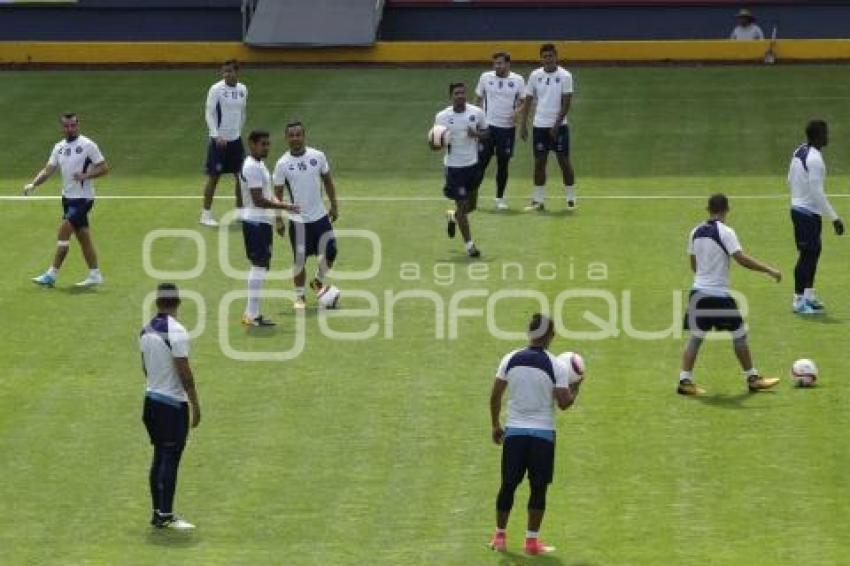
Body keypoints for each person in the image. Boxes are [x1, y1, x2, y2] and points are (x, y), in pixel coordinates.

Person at [488, 313, 582, 556]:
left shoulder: (510, 359)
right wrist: (576, 387)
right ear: (550, 335)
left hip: (515, 434)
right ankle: (531, 542)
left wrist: (496, 425)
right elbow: (563, 403)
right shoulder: (557, 365)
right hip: (542, 436)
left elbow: (495, 396)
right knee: (538, 488)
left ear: (530, 333)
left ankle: (499, 536)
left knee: (508, 484)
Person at [678, 194, 782, 396]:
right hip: (718, 295)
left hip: (697, 292)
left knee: (696, 337)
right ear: (727, 209)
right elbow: (741, 259)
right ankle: (753, 379)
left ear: (707, 209)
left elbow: (693, 265)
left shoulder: (694, 232)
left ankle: (684, 381)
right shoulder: (726, 232)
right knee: (739, 334)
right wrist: (769, 270)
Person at [140, 283, 201, 530]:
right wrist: (195, 404)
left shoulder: (145, 331)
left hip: (151, 399)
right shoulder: (176, 331)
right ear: (178, 302)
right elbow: (184, 372)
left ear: (157, 302)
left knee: (159, 456)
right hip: (172, 404)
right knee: (170, 458)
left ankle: (158, 511)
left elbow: (144, 366)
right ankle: (165, 513)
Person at [24, 112, 108, 288]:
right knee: (83, 236)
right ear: (62, 127)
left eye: (73, 125)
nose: (70, 129)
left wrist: (86, 174)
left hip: (83, 199)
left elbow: (103, 167)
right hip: (68, 199)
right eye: (66, 126)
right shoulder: (59, 147)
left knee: (63, 231)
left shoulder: (88, 145)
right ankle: (95, 274)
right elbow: (48, 170)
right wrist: (33, 185)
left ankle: (51, 274)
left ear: (78, 125)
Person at [273, 121, 340, 309]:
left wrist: (334, 205)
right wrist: (278, 219)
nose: (295, 138)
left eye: (298, 134)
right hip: (298, 220)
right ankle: (300, 296)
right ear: (286, 138)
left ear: (304, 136)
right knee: (300, 260)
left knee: (332, 251)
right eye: (291, 135)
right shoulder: (282, 164)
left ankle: (317, 281)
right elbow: (277, 193)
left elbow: (328, 181)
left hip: (320, 217)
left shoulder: (318, 156)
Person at [240, 130, 300, 326]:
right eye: (263, 144)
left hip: (260, 223)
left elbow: (268, 194)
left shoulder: (259, 165)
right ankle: (251, 315)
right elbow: (258, 200)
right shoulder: (251, 167)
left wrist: (283, 207)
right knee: (259, 266)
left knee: (261, 266)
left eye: (268, 144)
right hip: (256, 222)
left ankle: (252, 313)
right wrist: (284, 207)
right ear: (252, 144)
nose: (267, 147)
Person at [787, 120, 844, 315]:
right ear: (818, 136)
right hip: (806, 213)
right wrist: (835, 218)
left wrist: (797, 195)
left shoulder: (800, 150)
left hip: (803, 209)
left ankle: (809, 295)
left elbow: (789, 177)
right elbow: (817, 193)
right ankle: (798, 300)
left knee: (814, 252)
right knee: (806, 256)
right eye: (825, 133)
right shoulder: (815, 160)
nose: (828, 137)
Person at [431, 82, 488, 257]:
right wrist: (436, 144)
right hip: (454, 169)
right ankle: (470, 246)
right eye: (457, 93)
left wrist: (476, 135)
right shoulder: (442, 117)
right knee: (463, 205)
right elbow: (434, 142)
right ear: (451, 96)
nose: (461, 96)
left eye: (463, 93)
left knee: (471, 206)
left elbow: (487, 133)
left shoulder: (476, 113)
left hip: (473, 166)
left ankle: (452, 216)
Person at [519, 44, 576, 211]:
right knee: (539, 163)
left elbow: (566, 103)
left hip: (559, 127)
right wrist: (523, 125)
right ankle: (538, 201)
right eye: (545, 56)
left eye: (551, 56)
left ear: (556, 56)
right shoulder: (535, 75)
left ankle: (571, 199)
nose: (548, 59)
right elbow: (528, 101)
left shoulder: (565, 76)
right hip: (540, 126)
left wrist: (557, 125)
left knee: (564, 162)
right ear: (541, 58)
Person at [474, 51, 525, 210]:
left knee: (503, 165)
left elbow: (524, 101)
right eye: (495, 63)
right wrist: (476, 120)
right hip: (487, 128)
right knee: (481, 163)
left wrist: (518, 111)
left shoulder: (518, 80)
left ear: (508, 64)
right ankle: (471, 196)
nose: (497, 66)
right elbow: (478, 99)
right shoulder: (485, 77)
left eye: (500, 63)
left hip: (507, 130)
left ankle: (500, 199)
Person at [201, 59, 248, 227]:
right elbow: (209, 113)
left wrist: (238, 133)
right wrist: (216, 135)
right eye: (224, 72)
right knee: (214, 177)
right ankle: (206, 215)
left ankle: (241, 212)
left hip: (236, 141)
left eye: (230, 71)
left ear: (237, 71)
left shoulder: (243, 89)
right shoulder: (216, 89)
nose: (227, 74)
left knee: (241, 177)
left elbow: (242, 113)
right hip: (219, 142)